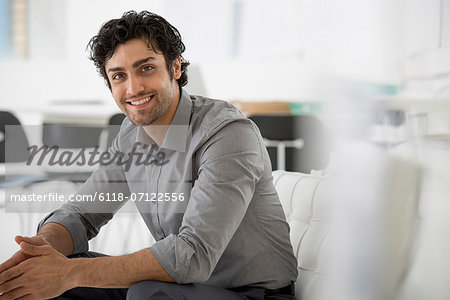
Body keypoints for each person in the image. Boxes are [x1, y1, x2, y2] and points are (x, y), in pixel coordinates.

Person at [0, 11, 298, 300]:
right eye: (119, 76)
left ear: (176, 68)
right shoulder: (131, 136)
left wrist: (68, 273)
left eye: (146, 68)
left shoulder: (227, 134)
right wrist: (41, 251)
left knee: (140, 291)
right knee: (48, 279)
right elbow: (81, 213)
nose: (133, 88)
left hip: (251, 293)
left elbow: (192, 255)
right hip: (180, 286)